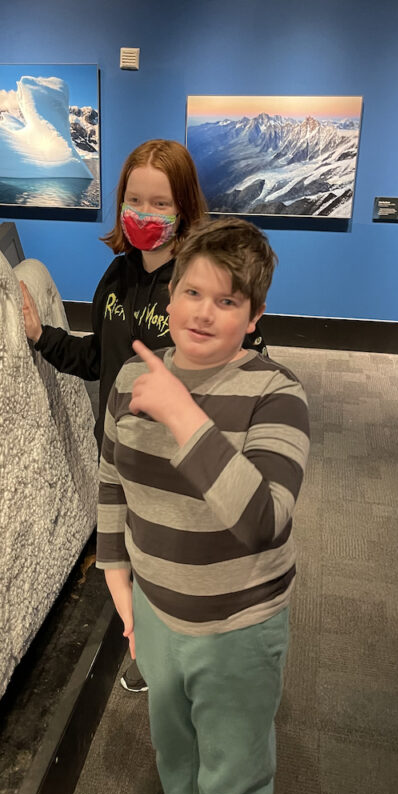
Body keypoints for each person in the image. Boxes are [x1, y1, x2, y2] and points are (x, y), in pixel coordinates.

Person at [96, 217, 310, 794]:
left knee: (237, 776)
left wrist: (187, 417)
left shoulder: (278, 394)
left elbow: (263, 520)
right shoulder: (135, 371)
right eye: (193, 292)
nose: (203, 312)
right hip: (157, 609)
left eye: (227, 301)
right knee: (174, 745)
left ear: (255, 318)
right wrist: (120, 586)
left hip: (238, 626)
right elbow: (111, 482)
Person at [20, 140, 262, 693]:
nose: (144, 216)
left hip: (179, 469)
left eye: (160, 203)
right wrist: (41, 338)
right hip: (122, 457)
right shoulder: (116, 276)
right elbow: (99, 359)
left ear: (185, 209)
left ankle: (193, 669)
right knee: (132, 563)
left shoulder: (202, 287)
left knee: (177, 567)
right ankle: (149, 648)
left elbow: (237, 379)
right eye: (134, 200)